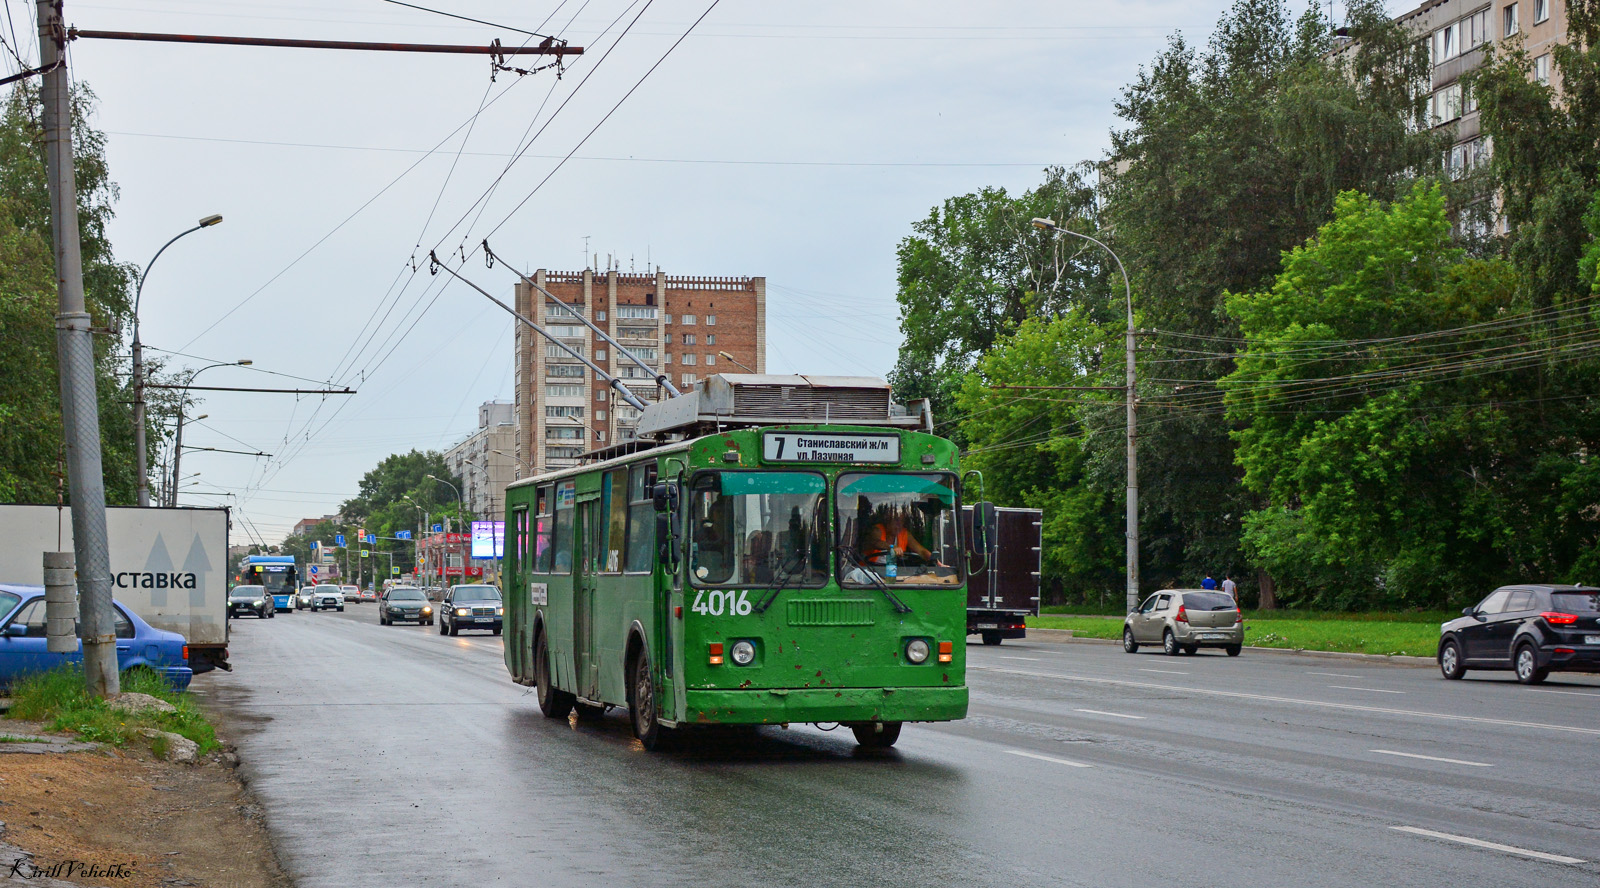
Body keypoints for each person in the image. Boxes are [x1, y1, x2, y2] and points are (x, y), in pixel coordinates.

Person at [861, 507, 934, 564]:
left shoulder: (904, 533)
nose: (899, 525)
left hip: (894, 573)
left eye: (902, 521)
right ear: (887, 521)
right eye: (896, 521)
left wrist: (934, 560)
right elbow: (875, 542)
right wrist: (891, 547)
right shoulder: (877, 530)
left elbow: (921, 551)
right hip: (870, 573)